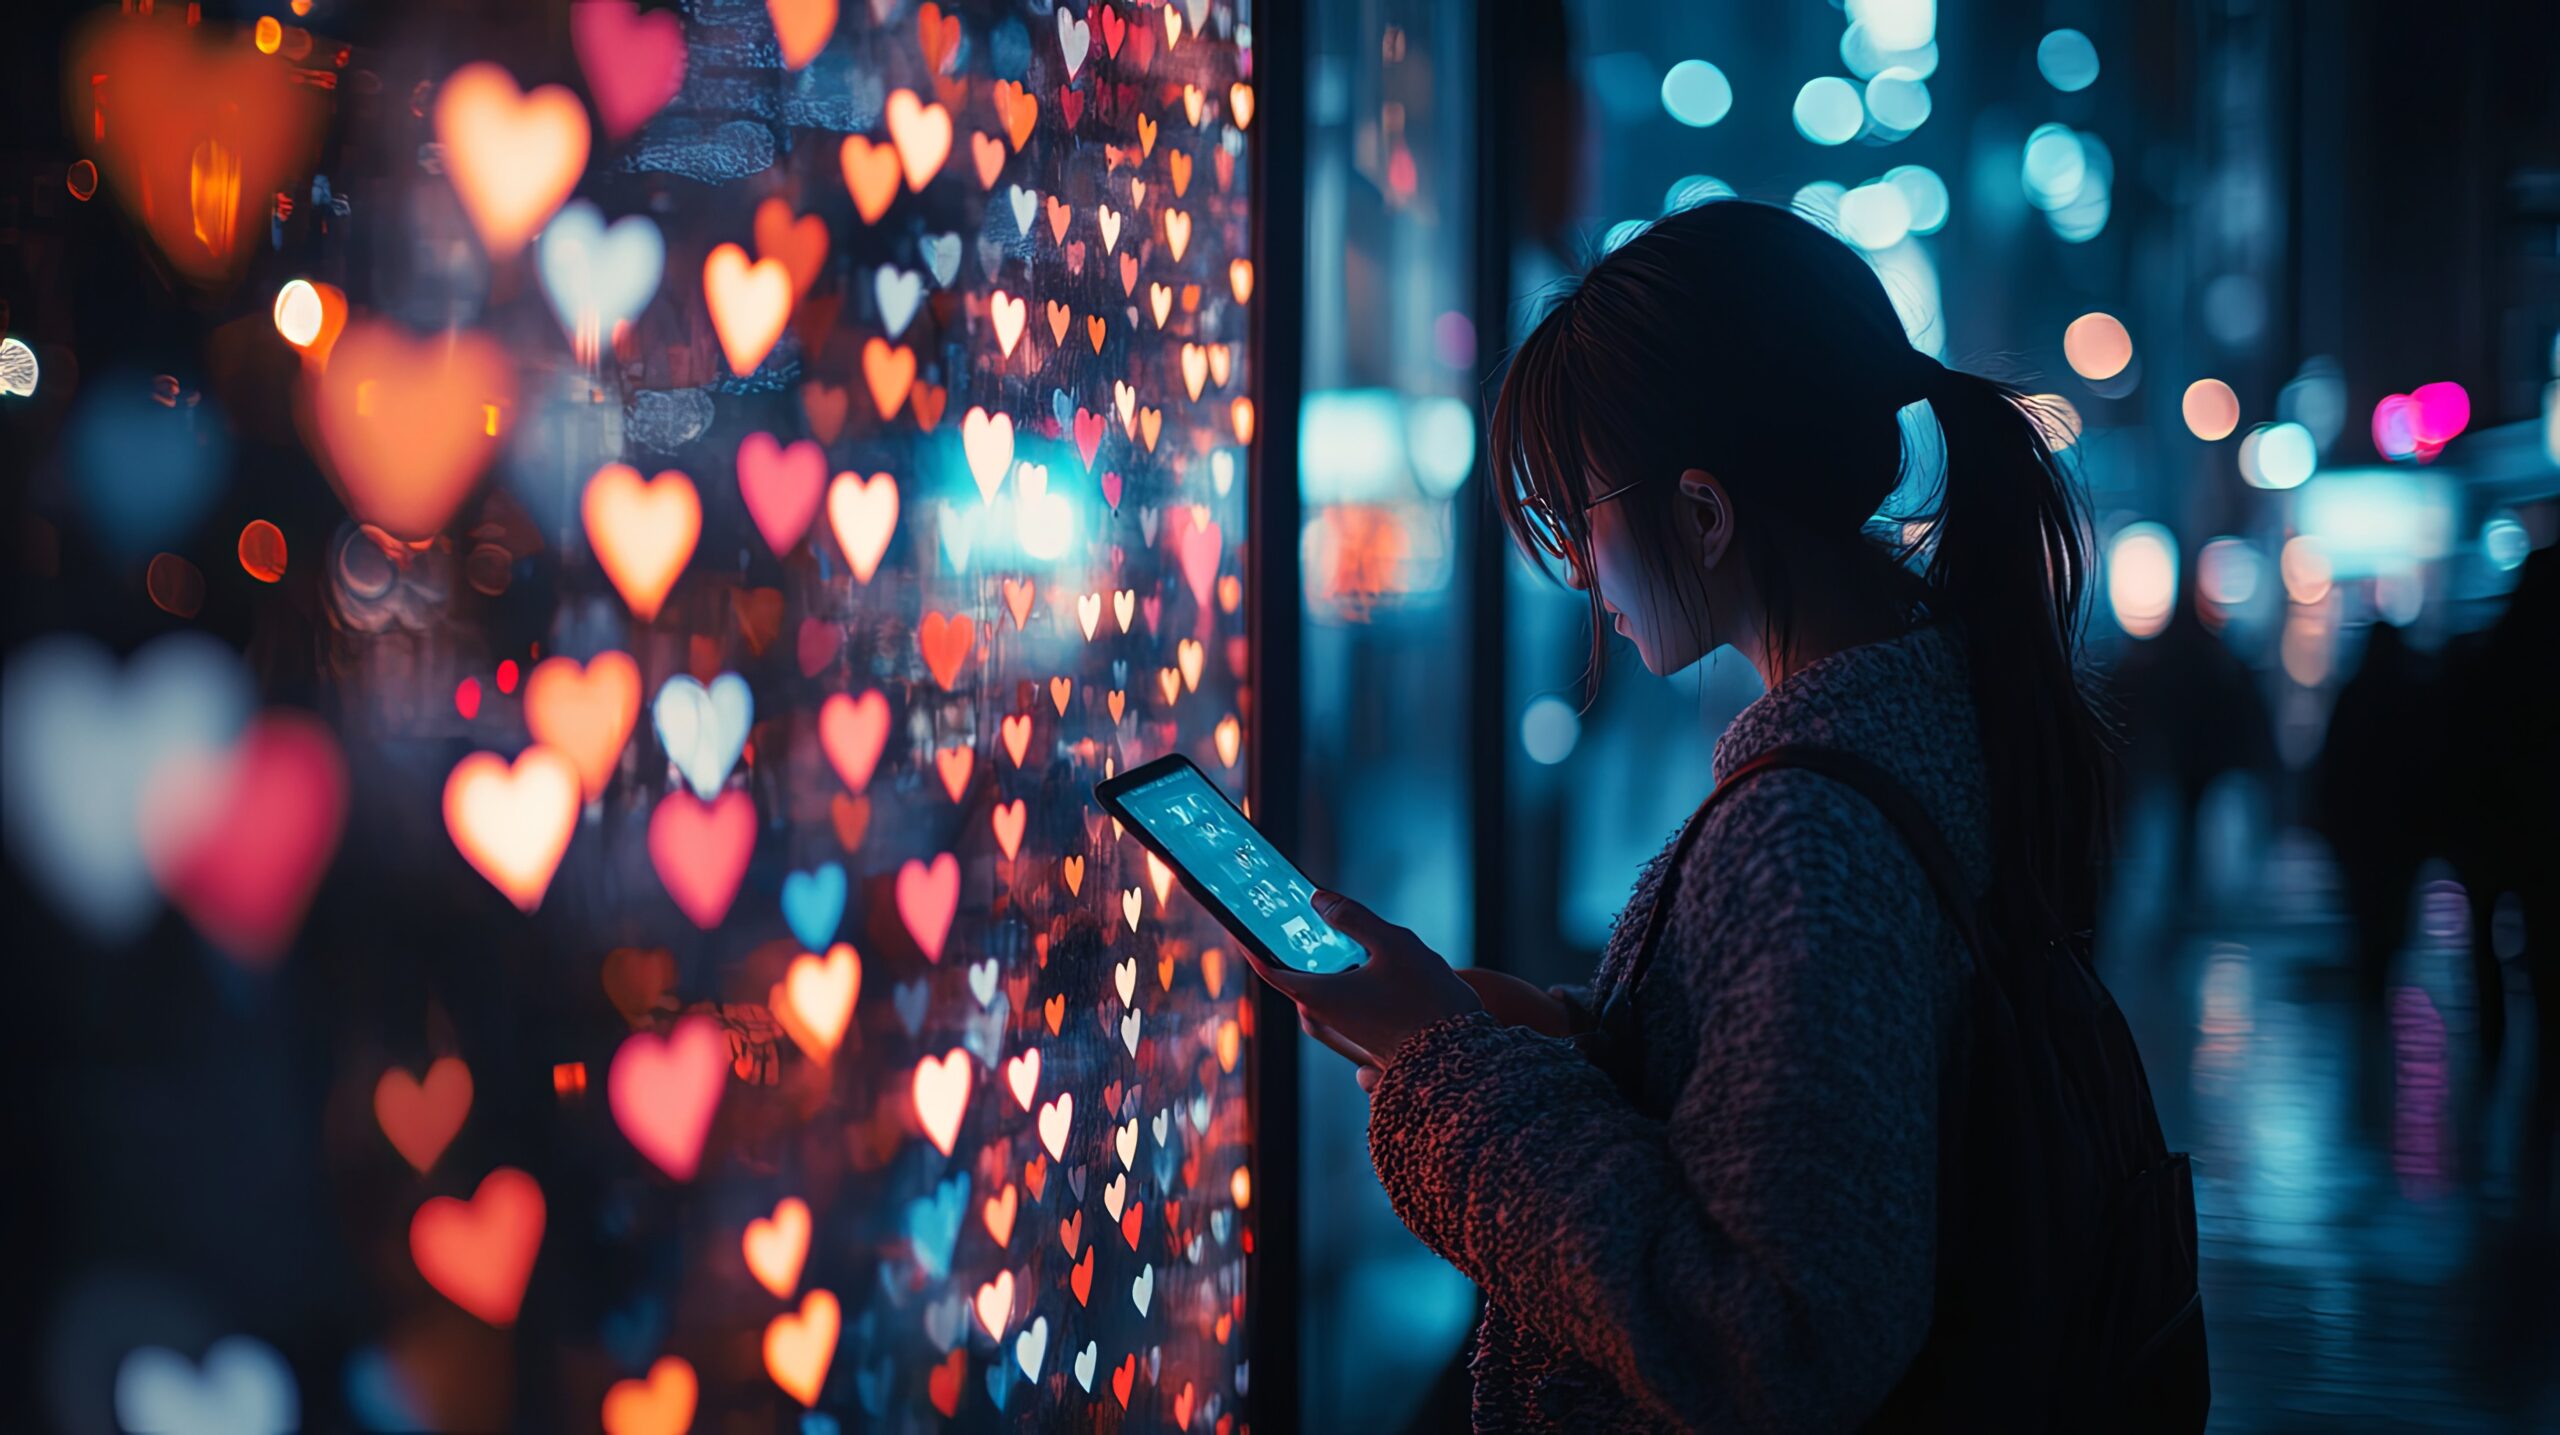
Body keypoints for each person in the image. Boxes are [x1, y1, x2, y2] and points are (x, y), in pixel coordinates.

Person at [1242, 200, 2183, 1431]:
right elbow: (1818, 1109)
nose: (1580, 572)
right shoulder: (1931, 726)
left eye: (1581, 516)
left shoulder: (1804, 833)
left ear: (1700, 514)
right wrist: (1577, 1038)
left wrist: (1447, 1071)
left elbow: (1771, 1344)